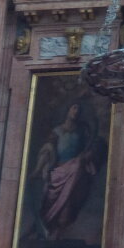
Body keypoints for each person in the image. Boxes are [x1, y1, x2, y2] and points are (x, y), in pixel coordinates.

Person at [32, 103, 99, 240]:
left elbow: (88, 148)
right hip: (59, 171)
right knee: (50, 201)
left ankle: (58, 235)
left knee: (68, 204)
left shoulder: (81, 131)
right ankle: (46, 231)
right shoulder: (57, 131)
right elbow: (48, 148)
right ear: (67, 110)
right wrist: (39, 168)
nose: (76, 111)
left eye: (79, 109)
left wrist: (88, 156)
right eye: (74, 108)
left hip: (75, 171)